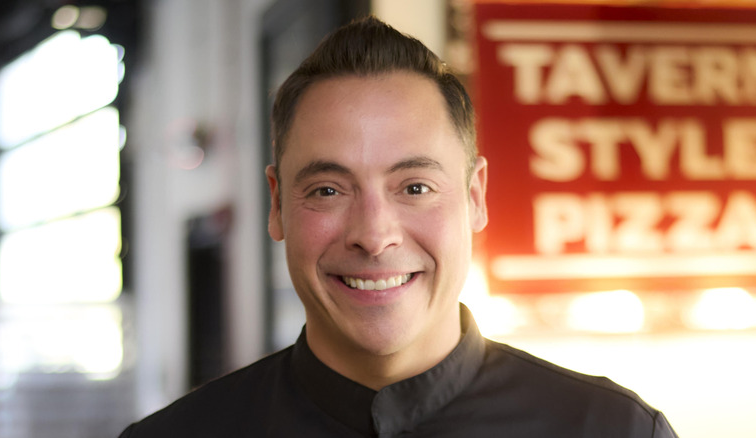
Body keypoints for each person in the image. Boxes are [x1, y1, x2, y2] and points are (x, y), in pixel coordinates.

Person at [119, 16, 678, 437]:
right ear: (277, 206)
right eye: (328, 190)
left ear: (475, 197)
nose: (374, 233)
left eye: (415, 187)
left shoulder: (612, 430)